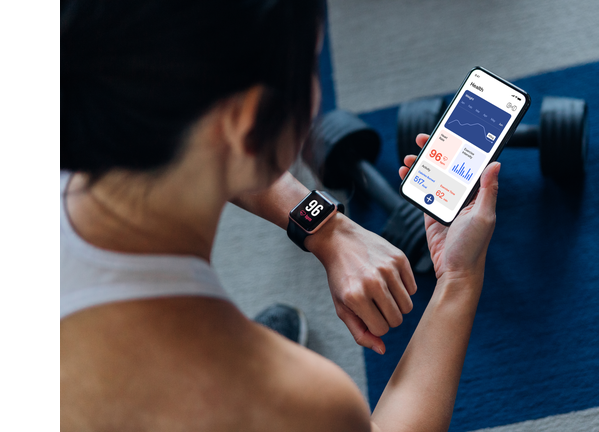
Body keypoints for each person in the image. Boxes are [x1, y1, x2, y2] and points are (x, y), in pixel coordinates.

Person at [60, 0, 501, 430]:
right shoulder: (301, 398)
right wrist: (461, 278)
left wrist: (327, 229)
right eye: (310, 65)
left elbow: (206, 144)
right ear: (250, 121)